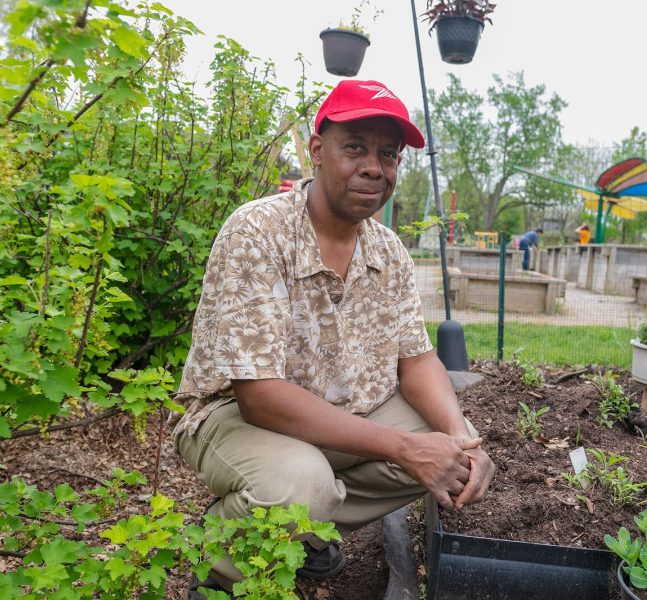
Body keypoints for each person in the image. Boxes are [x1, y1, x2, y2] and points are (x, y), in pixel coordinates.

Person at [171, 79, 495, 595]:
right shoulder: (257, 231)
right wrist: (404, 446)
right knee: (302, 485)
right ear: (316, 152)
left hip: (341, 415)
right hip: (231, 414)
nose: (374, 166)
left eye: (388, 155)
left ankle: (306, 537)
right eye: (355, 148)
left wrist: (461, 438)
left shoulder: (387, 250)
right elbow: (259, 398)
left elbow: (417, 360)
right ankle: (221, 572)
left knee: (443, 448)